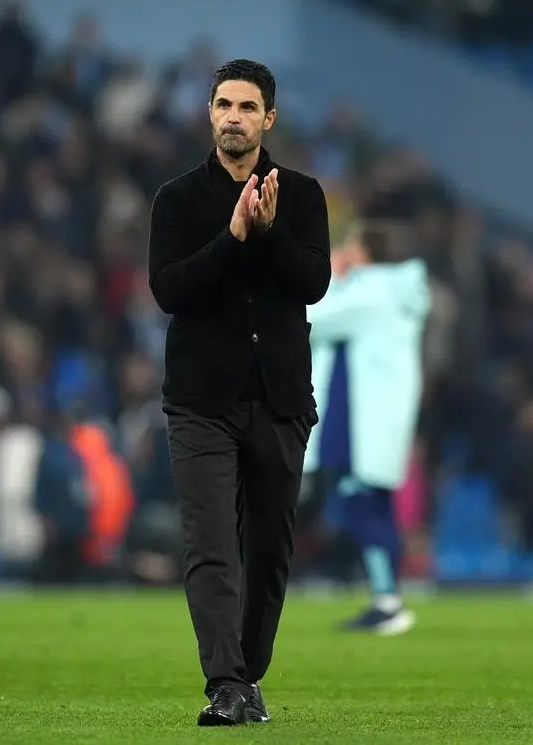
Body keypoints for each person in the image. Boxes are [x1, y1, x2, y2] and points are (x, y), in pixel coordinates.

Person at [147, 58, 331, 726]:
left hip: (279, 397)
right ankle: (223, 680)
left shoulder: (303, 196)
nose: (233, 116)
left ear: (268, 119)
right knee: (209, 544)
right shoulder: (177, 200)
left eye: (247, 107)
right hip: (200, 400)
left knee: (268, 552)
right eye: (223, 104)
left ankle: (248, 675)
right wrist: (231, 237)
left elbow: (313, 282)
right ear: (208, 113)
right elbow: (169, 289)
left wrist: (270, 231)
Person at [302, 221, 430, 634]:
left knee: (357, 504)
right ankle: (385, 597)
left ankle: (389, 601)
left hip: (361, 421)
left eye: (350, 246)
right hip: (368, 417)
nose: (342, 252)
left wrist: (330, 278)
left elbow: (313, 319)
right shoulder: (389, 292)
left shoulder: (373, 290)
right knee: (370, 505)